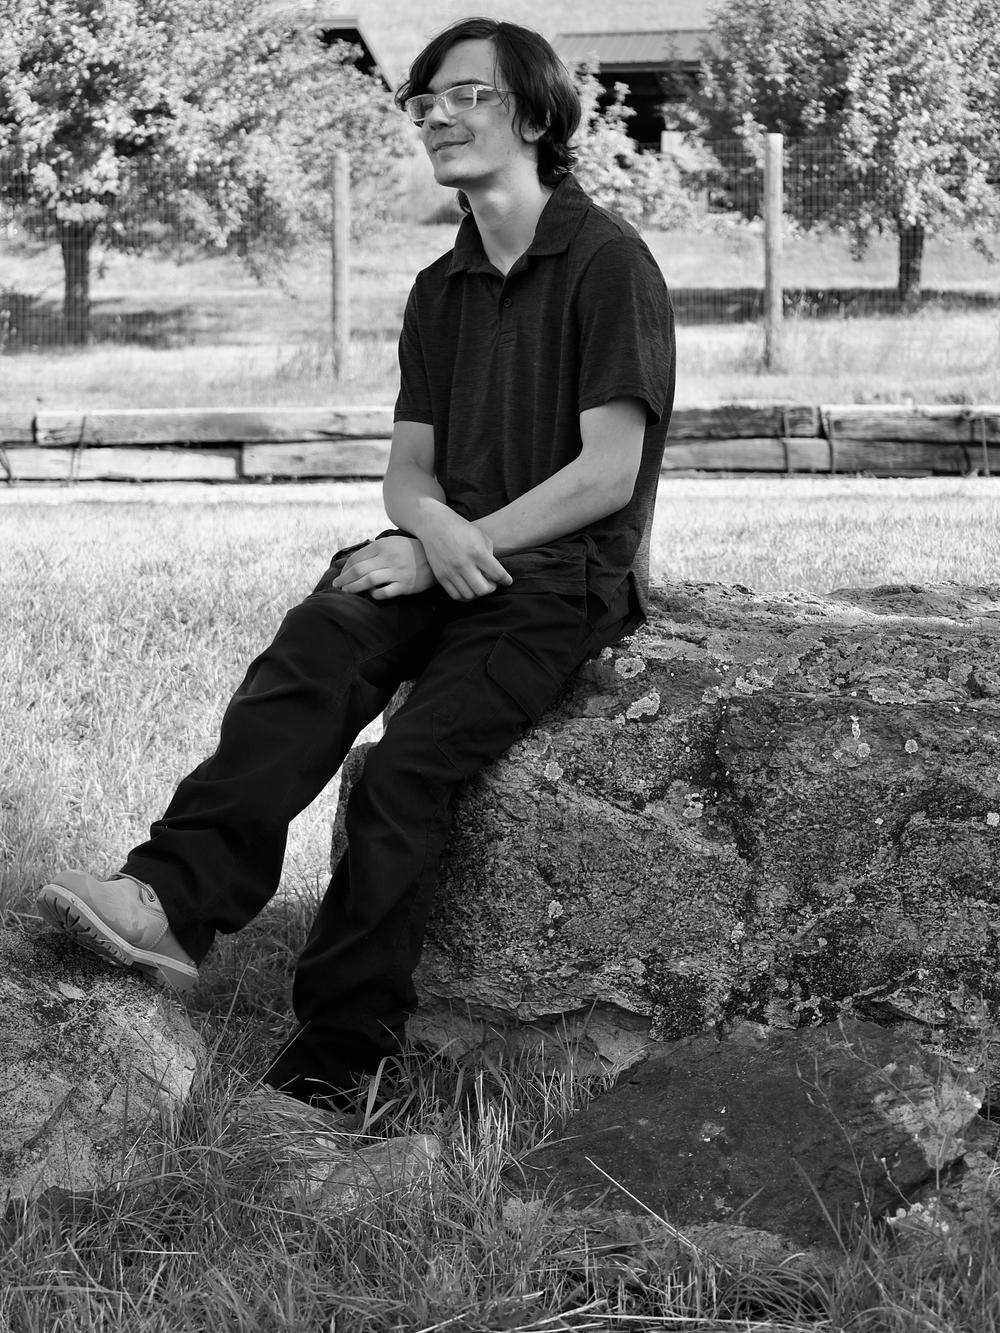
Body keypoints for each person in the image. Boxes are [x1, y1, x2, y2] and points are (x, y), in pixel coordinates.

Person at [37, 16, 675, 1110]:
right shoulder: (441, 286)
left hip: (557, 579)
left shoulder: (607, 261)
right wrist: (427, 535)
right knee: (319, 641)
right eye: (424, 101)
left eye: (465, 95)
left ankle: (338, 1062)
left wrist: (455, 545)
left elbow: (607, 473)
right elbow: (408, 474)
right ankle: (169, 901)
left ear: (532, 114)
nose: (437, 116)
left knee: (402, 772)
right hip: (443, 549)